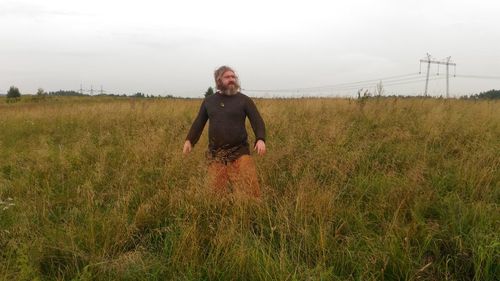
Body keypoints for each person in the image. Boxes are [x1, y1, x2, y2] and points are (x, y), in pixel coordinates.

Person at [183, 66, 266, 198]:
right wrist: (189, 140)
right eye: (227, 77)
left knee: (250, 191)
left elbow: (257, 121)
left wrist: (260, 139)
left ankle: (251, 211)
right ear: (219, 80)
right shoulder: (209, 102)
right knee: (216, 195)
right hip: (216, 154)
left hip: (240, 152)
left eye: (233, 77)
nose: (232, 79)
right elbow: (199, 122)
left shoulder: (244, 100)